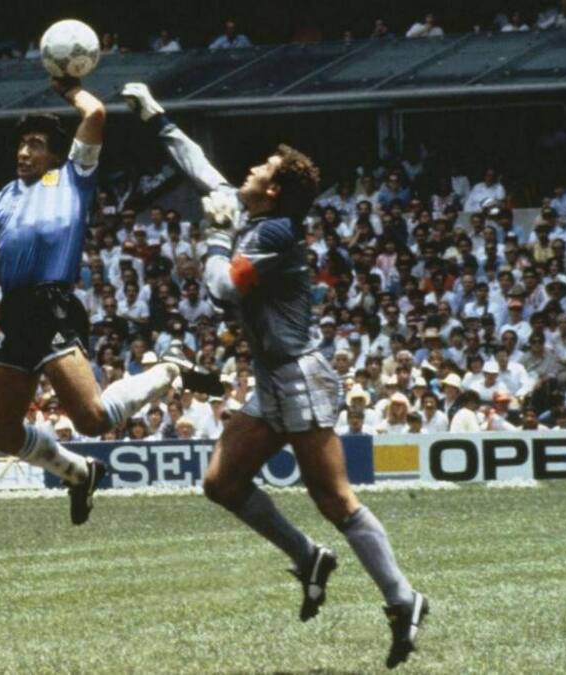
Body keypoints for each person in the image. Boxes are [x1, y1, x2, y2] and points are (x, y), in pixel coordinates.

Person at [122, 81, 426, 669]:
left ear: (275, 188)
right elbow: (200, 168)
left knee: (335, 500)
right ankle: (311, 559)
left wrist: (211, 236)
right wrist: (155, 115)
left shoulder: (275, 233)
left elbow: (216, 292)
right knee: (221, 483)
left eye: (261, 167)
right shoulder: (252, 210)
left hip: (300, 378)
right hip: (274, 380)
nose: (250, 169)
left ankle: (403, 598)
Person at [0, 76, 216, 526]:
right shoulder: (1, 199)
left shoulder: (72, 177)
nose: (24, 152)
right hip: (16, 312)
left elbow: (94, 113)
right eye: (21, 144)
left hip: (55, 304)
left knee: (93, 420)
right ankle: (79, 472)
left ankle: (169, 368)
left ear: (55, 154)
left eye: (35, 144)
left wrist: (68, 89)